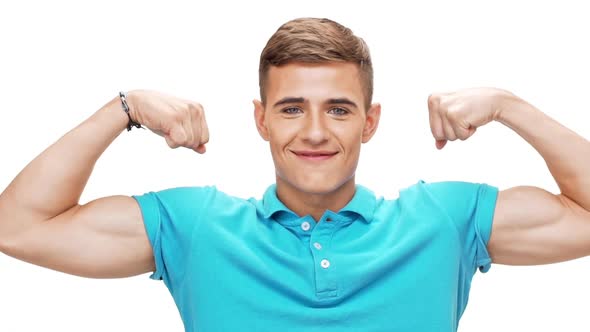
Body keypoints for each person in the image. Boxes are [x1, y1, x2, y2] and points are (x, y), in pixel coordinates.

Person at [0, 17, 588, 332]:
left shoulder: (442, 220)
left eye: (338, 108)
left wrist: (511, 106)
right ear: (260, 120)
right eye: (290, 108)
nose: (313, 131)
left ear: (370, 121)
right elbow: (18, 227)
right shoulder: (197, 227)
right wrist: (122, 109)